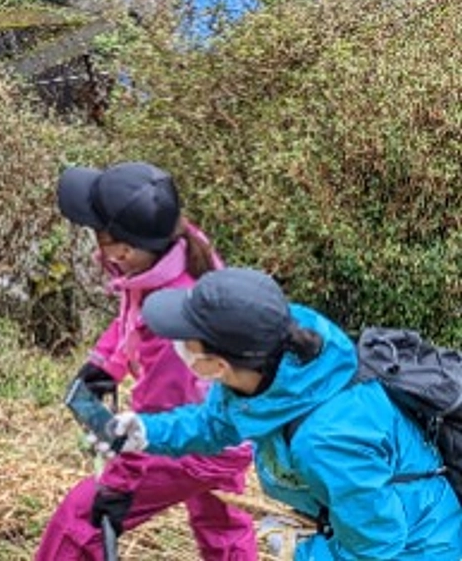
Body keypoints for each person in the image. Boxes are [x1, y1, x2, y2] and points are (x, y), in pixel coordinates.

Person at [110, 267, 462, 560]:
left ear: (215, 364)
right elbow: (217, 423)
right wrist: (146, 431)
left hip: (421, 548)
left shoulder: (327, 438)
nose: (176, 343)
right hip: (368, 528)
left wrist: (305, 551)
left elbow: (377, 544)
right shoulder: (275, 367)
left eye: (185, 337)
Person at [37, 161, 257, 560]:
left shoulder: (172, 322)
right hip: (228, 427)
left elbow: (150, 425)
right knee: (221, 523)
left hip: (198, 438)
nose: (94, 240)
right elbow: (131, 319)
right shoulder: (176, 250)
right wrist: (106, 363)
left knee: (80, 519)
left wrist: (118, 488)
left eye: (97, 232)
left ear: (123, 247)